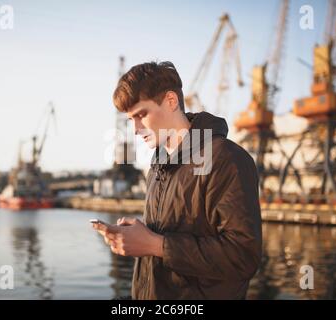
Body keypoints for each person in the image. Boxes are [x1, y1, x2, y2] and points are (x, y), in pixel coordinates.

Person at [93, 61, 262, 299]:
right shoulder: (158, 165)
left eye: (141, 114)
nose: (135, 129)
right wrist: (136, 236)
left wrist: (155, 245)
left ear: (171, 101)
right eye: (131, 119)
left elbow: (243, 257)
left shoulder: (226, 158)